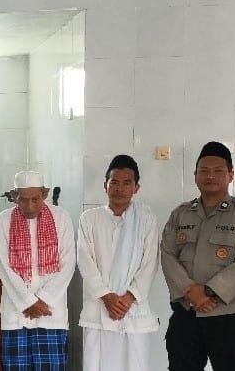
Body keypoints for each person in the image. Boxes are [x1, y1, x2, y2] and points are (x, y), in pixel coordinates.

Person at [160, 142, 235, 371]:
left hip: (229, 316)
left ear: (231, 175)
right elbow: (167, 254)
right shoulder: (181, 213)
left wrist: (209, 292)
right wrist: (190, 291)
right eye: (204, 170)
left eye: (218, 170)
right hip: (187, 312)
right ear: (195, 175)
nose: (210, 176)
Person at [77, 155, 160, 371]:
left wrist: (129, 297)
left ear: (136, 187)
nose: (120, 189)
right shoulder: (89, 218)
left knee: (135, 365)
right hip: (98, 310)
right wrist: (106, 296)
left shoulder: (146, 218)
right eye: (114, 182)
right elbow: (85, 261)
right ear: (105, 185)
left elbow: (150, 262)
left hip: (133, 311)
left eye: (126, 183)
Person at [0, 170, 76, 371]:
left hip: (50, 312)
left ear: (45, 194)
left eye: (35, 199)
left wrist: (43, 300)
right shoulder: (3, 220)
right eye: (23, 200)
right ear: (14, 196)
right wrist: (27, 301)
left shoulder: (61, 217)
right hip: (16, 313)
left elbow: (67, 263)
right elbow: (4, 266)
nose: (29, 206)